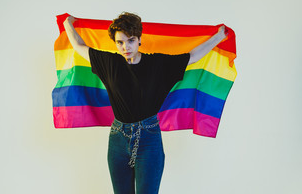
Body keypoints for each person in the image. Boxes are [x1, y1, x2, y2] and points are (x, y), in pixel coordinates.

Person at [63, 12, 227, 194]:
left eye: (131, 40)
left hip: (148, 138)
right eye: (120, 42)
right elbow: (79, 46)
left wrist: (219, 37)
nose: (126, 47)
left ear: (139, 39)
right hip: (118, 138)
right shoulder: (109, 63)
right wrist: (67, 23)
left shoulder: (157, 63)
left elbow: (192, 56)